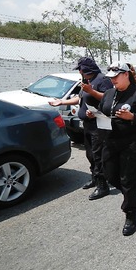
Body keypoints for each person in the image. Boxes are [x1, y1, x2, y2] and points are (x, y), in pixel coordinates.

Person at [94, 62, 136, 236]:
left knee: (128, 180)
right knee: (110, 176)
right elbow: (102, 110)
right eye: (111, 78)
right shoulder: (108, 94)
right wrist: (94, 114)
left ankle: (130, 213)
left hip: (133, 145)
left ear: (126, 75)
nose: (112, 80)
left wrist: (133, 117)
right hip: (111, 142)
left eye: (115, 77)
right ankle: (132, 192)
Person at [49, 56, 113, 198]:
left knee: (97, 155)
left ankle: (103, 185)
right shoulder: (86, 81)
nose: (79, 72)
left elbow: (109, 99)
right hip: (88, 124)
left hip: (99, 124)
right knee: (90, 153)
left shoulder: (102, 80)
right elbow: (80, 98)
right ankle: (95, 178)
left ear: (86, 69)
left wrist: (92, 92)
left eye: (80, 69)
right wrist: (61, 102)